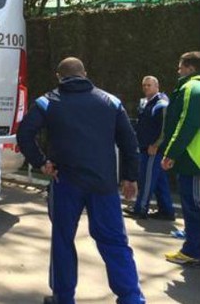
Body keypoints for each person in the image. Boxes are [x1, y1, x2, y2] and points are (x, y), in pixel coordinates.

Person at [17, 57, 145, 304]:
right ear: (85, 73)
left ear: (58, 76)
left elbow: (25, 134)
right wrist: (130, 177)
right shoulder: (111, 101)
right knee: (114, 241)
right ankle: (130, 297)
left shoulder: (47, 102)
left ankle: (63, 297)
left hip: (65, 182)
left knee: (63, 239)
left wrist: (41, 162)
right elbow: (130, 144)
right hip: (104, 184)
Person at [160, 51, 200, 266]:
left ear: (190, 68)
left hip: (194, 160)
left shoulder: (191, 88)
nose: (178, 71)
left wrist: (170, 153)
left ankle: (192, 251)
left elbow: (186, 124)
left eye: (180, 67)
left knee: (193, 208)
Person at [124, 76, 174, 220]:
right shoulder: (148, 103)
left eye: (149, 85)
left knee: (147, 180)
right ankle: (167, 211)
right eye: (144, 85)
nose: (146, 88)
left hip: (153, 149)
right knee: (159, 182)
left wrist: (156, 145)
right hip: (146, 147)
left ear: (157, 86)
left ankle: (141, 208)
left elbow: (166, 128)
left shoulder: (161, 104)